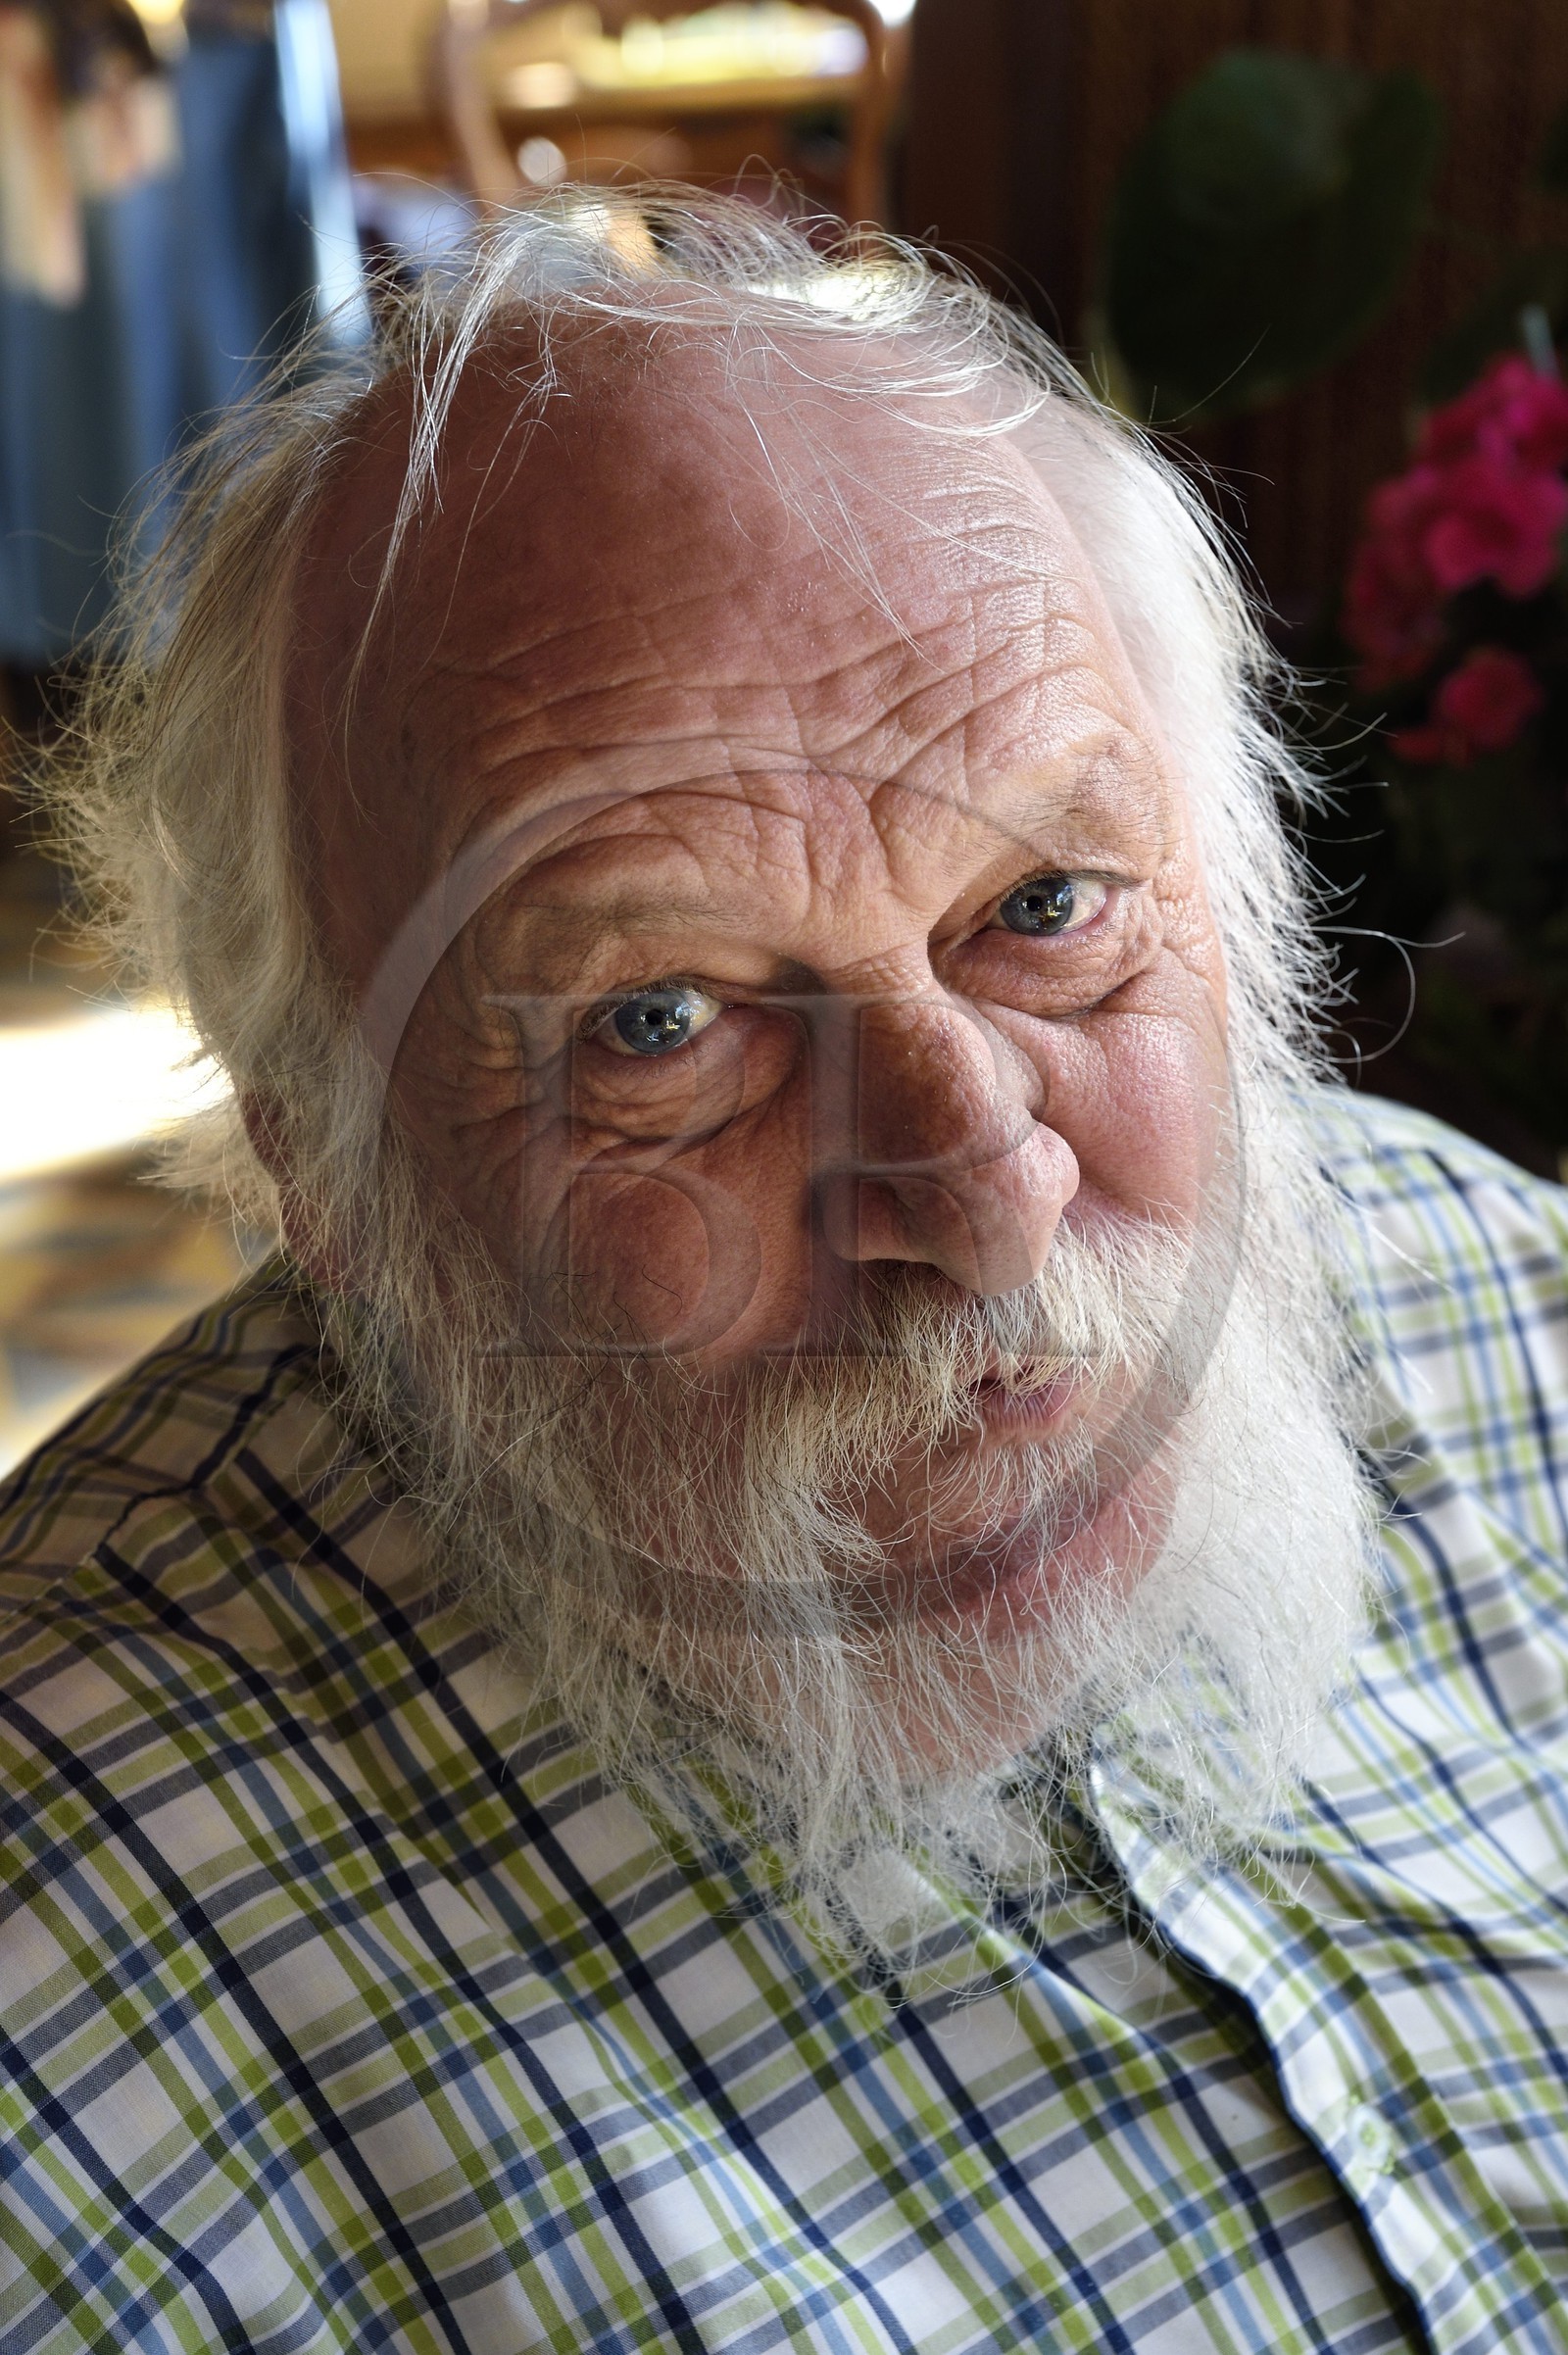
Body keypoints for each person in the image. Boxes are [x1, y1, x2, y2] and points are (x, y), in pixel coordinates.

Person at [2, 192, 1565, 2355]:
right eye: (660, 1022)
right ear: (322, 1170)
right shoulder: (69, 1993)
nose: (985, 1198)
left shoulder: (1496, 1297)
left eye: (1044, 903)